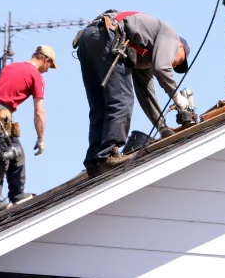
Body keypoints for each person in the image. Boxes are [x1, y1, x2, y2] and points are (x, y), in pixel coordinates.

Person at [76, 10, 190, 178]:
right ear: (180, 46)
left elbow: (146, 94)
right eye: (179, 60)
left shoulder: (146, 54)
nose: (174, 64)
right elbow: (162, 68)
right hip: (107, 35)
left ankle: (94, 162)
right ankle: (108, 155)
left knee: (101, 105)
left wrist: (162, 127)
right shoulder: (171, 36)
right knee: (122, 100)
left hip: (90, 38)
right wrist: (176, 97)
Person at [0, 45, 57, 216]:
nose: (47, 71)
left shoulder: (11, 67)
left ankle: (17, 195)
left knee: (17, 152)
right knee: (1, 158)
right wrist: (41, 138)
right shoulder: (35, 76)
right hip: (0, 115)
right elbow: (39, 111)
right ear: (45, 59)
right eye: (49, 66)